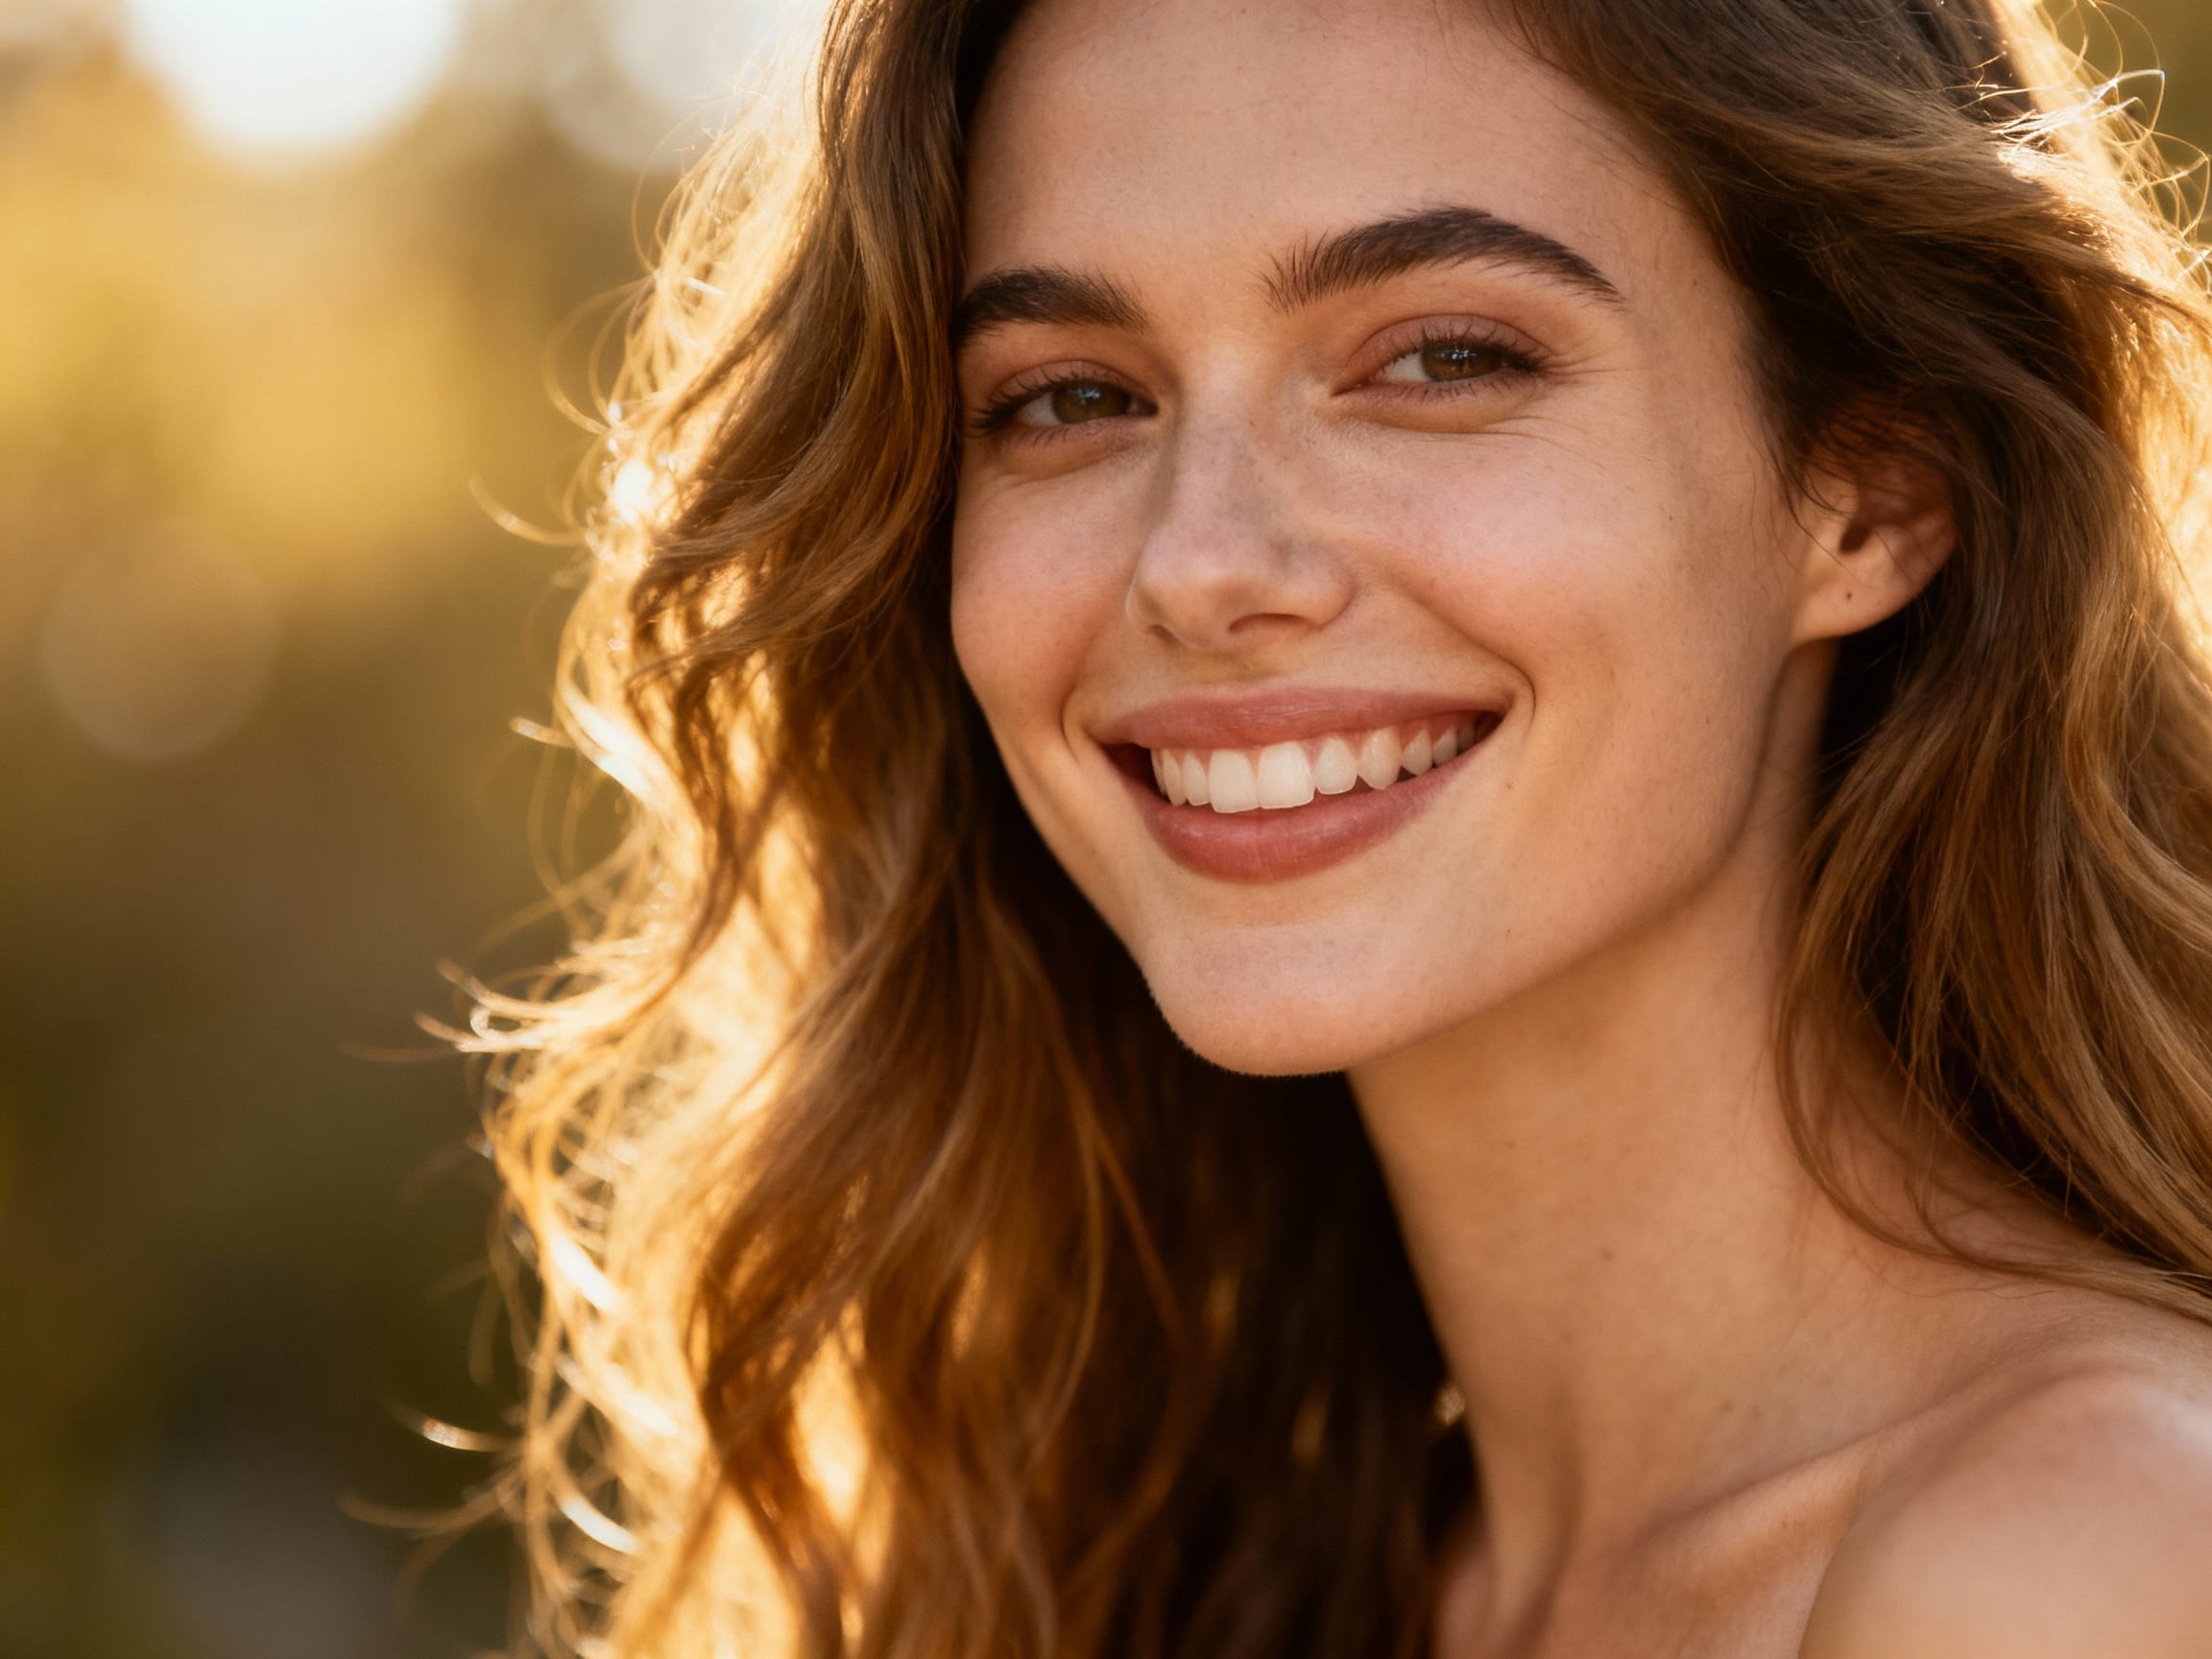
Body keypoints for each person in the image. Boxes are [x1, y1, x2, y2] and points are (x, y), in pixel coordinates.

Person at [470, 0, 2212, 1653]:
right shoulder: (1194, 1566)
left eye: (1442, 359)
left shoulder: (2086, 1553)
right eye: (1070, 397)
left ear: (1874, 493)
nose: (1202, 564)